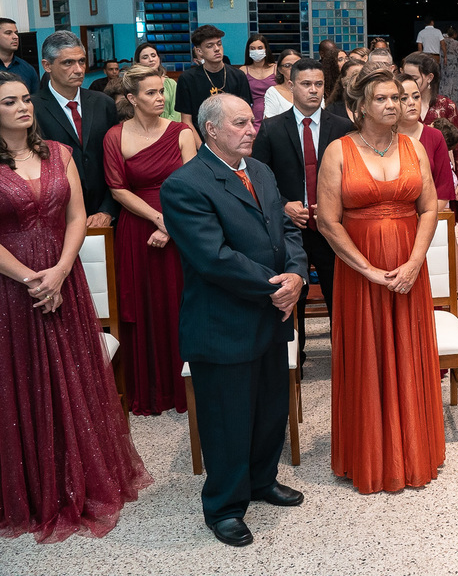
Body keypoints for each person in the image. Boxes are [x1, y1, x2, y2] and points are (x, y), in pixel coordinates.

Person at [0, 72, 151, 542]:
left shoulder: (59, 154)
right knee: (24, 379)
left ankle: (83, 479)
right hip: (11, 288)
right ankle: (33, 488)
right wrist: (31, 278)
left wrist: (62, 270)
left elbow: (77, 216)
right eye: (10, 101)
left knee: (73, 376)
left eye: (26, 98)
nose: (24, 106)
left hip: (66, 278)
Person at [161, 94, 307, 547]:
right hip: (223, 322)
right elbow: (214, 258)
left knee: (268, 409)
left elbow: (285, 230)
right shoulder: (186, 185)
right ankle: (224, 506)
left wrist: (298, 275)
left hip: (271, 314)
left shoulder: (258, 170)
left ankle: (261, 481)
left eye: (253, 121)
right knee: (227, 419)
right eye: (240, 123)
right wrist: (276, 286)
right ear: (210, 130)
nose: (252, 129)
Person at [316, 66, 445, 494]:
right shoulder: (338, 150)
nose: (394, 105)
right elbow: (329, 223)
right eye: (383, 99)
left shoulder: (414, 147)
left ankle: (415, 451)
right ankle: (371, 455)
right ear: (358, 107)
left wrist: (413, 262)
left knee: (409, 352)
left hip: (410, 267)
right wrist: (367, 270)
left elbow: (429, 208)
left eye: (399, 97)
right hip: (360, 273)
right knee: (368, 357)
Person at [103, 65, 197, 415]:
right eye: (151, 93)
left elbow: (193, 185)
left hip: (182, 226)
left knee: (181, 303)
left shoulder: (182, 132)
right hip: (138, 232)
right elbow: (117, 189)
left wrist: (171, 224)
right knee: (144, 307)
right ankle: (153, 389)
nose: (160, 98)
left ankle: (187, 385)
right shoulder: (115, 136)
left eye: (162, 92)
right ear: (131, 98)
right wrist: (158, 219)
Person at [252, 57, 354, 376]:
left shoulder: (341, 126)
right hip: (289, 228)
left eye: (319, 84)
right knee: (294, 293)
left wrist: (334, 202)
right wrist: (283, 205)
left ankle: (346, 359)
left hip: (331, 226)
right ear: (291, 85)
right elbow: (258, 178)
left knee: (340, 291)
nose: (313, 90)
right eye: (306, 84)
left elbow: (353, 176)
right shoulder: (271, 128)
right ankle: (295, 359)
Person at [33, 31, 120, 226]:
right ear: (47, 65)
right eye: (68, 63)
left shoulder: (103, 103)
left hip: (103, 215)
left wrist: (107, 210)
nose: (79, 69)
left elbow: (116, 161)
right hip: (55, 219)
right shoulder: (32, 109)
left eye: (81, 61)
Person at [403, 53, 458, 224]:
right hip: (410, 174)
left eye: (414, 77)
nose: (409, 81)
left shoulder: (446, 106)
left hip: (440, 174)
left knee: (445, 235)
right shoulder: (401, 106)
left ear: (429, 77)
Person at [175, 26, 253, 144]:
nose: (217, 49)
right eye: (210, 46)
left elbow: (245, 114)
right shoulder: (187, 79)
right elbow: (186, 121)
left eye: (219, 44)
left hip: (233, 140)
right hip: (201, 141)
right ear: (199, 51)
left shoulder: (238, 76)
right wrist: (202, 149)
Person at [396, 73, 455, 209]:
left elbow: (444, 188)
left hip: (428, 217)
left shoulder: (435, 136)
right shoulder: (385, 136)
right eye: (404, 98)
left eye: (416, 97)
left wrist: (423, 221)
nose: (412, 102)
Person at [134, 42, 181, 121]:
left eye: (153, 55)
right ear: (138, 62)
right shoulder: (135, 84)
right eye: (145, 57)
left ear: (159, 58)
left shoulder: (170, 83)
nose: (151, 59)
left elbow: (177, 112)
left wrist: (163, 128)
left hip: (170, 127)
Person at [238, 35, 276, 130]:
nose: (256, 51)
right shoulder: (243, 71)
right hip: (252, 117)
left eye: (260, 48)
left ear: (266, 49)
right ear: (248, 51)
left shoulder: (277, 69)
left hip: (275, 115)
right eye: (252, 48)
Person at [262, 49, 304, 119]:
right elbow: (270, 122)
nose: (293, 68)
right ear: (280, 69)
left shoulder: (312, 89)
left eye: (297, 65)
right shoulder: (273, 92)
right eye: (287, 65)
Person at [0, 17, 39, 94]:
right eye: (8, 33)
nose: (15, 37)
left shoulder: (27, 69)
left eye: (16, 33)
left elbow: (35, 101)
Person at [440, 26, 458, 98]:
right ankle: (452, 94)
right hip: (453, 61)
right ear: (455, 34)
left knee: (444, 77)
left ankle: (443, 93)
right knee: (453, 78)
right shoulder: (456, 43)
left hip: (444, 60)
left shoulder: (443, 41)